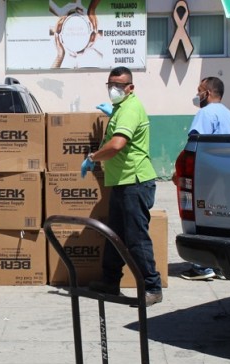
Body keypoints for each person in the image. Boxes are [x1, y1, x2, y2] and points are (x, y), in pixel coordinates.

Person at [82, 66, 163, 307]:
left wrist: (93, 157)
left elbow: (117, 145)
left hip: (135, 182)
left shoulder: (130, 108)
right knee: (113, 235)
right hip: (121, 182)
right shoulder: (121, 109)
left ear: (130, 87)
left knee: (136, 238)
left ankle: (152, 287)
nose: (114, 89)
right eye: (111, 84)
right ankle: (110, 281)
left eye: (119, 85)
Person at [179, 76, 230, 281]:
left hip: (207, 174)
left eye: (200, 90)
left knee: (199, 216)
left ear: (209, 93)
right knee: (224, 220)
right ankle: (222, 265)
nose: (198, 95)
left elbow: (194, 143)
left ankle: (201, 266)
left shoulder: (206, 113)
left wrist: (178, 171)